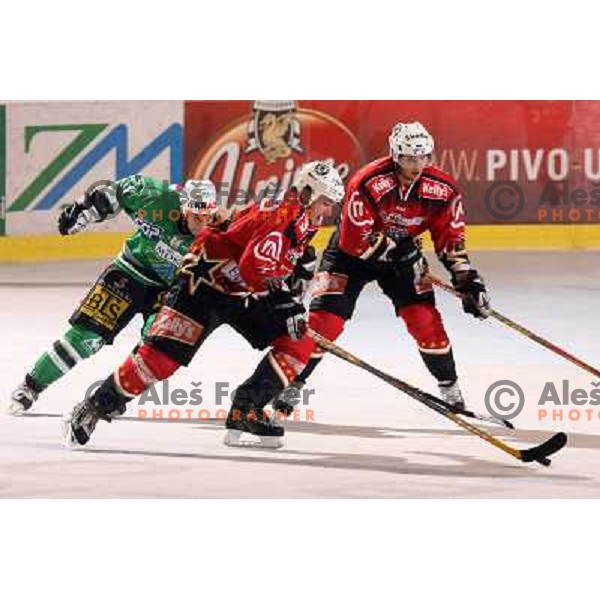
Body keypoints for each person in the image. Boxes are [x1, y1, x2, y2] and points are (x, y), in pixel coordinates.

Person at [63, 160, 344, 448]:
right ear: (308, 193)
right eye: (325, 202)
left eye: (331, 203)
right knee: (158, 362)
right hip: (201, 285)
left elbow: (262, 263)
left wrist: (292, 287)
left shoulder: (306, 221)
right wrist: (287, 304)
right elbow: (254, 266)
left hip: (239, 292)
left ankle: (245, 411)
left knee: (297, 342)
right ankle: (96, 406)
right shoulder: (285, 216)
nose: (329, 210)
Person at [275, 122, 490, 417]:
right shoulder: (367, 182)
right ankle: (293, 382)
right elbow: (353, 242)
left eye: (424, 157)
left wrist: (467, 279)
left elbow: (450, 240)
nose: (417, 166)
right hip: (351, 258)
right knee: (324, 323)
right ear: (395, 155)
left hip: (401, 258)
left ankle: (449, 387)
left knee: (425, 322)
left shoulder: (444, 191)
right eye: (409, 159)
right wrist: (397, 252)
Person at [8, 175, 219, 414]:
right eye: (196, 217)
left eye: (208, 218)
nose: (202, 225)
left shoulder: (219, 234)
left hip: (169, 290)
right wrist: (83, 210)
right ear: (182, 208)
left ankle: (112, 398)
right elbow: (112, 192)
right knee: (86, 338)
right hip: (130, 271)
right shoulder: (155, 197)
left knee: (155, 349)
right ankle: (30, 386)